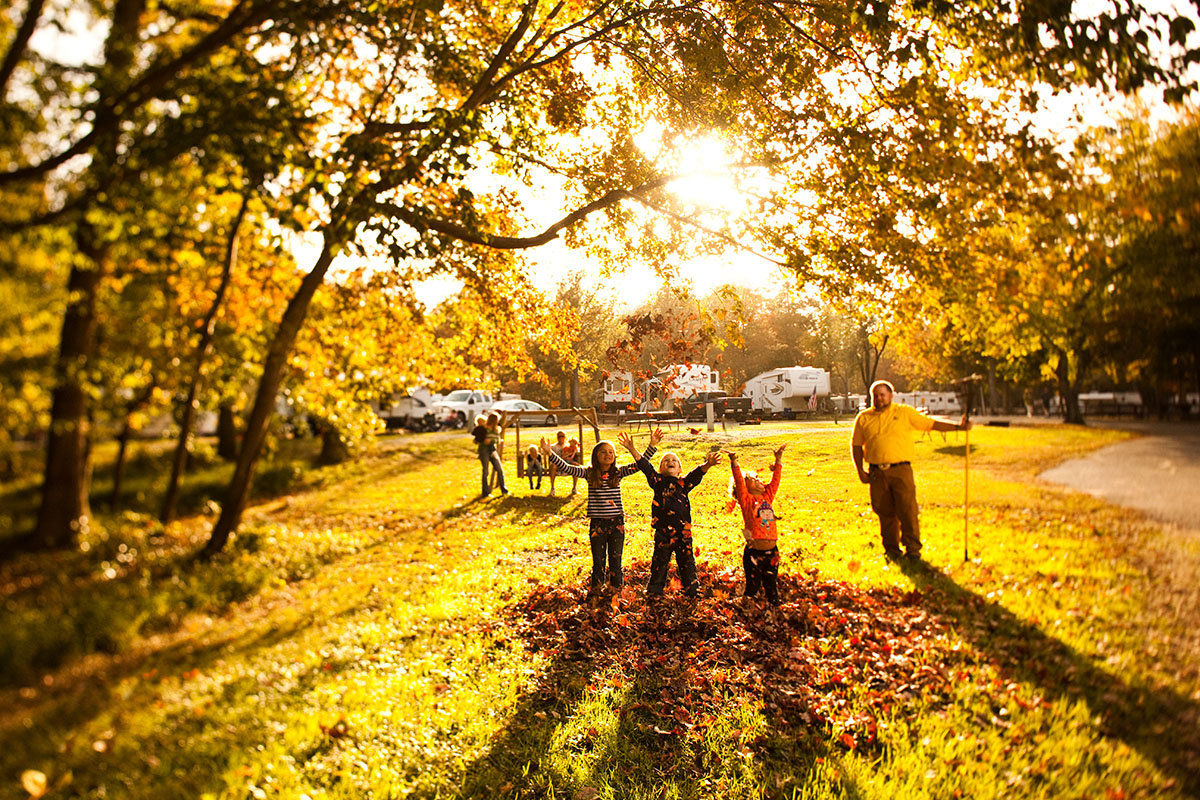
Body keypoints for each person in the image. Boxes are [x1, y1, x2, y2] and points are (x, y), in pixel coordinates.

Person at [850, 379, 971, 562]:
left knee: (907, 510)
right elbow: (856, 446)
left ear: (891, 395)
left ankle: (913, 550)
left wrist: (958, 427)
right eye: (875, 395)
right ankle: (891, 550)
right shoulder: (864, 417)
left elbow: (930, 424)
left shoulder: (904, 413)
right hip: (877, 473)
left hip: (901, 470)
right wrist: (860, 470)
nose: (879, 398)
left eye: (882, 394)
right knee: (885, 513)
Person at [541, 431, 655, 594]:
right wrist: (549, 452)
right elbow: (567, 467)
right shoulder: (589, 473)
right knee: (598, 561)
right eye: (603, 452)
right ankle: (596, 591)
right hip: (598, 524)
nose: (608, 455)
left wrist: (646, 446)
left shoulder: (618, 472)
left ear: (614, 456)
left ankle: (617, 591)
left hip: (617, 524)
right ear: (595, 455)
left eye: (611, 452)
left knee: (616, 560)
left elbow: (640, 465)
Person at [622, 433, 721, 598]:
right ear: (660, 469)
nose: (670, 462)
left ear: (680, 469)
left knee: (687, 563)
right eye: (666, 461)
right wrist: (632, 449)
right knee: (659, 562)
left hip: (683, 532)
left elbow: (696, 475)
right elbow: (645, 466)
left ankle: (692, 590)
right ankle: (655, 590)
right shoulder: (658, 482)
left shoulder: (683, 484)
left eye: (674, 461)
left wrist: (708, 464)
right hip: (663, 532)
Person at [727, 444, 787, 606]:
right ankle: (747, 611)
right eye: (753, 480)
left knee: (771, 585)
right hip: (753, 553)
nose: (759, 481)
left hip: (772, 552)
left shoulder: (767, 497)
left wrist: (778, 459)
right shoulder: (747, 501)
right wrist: (734, 461)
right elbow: (739, 481)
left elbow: (775, 481)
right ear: (745, 489)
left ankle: (774, 610)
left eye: (758, 479)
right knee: (752, 586)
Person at [472, 412, 509, 498]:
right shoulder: (485, 428)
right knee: (486, 471)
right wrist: (484, 440)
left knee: (500, 470)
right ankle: (485, 492)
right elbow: (477, 438)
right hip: (484, 449)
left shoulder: (497, 429)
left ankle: (504, 490)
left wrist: (497, 441)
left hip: (492, 450)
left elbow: (497, 440)